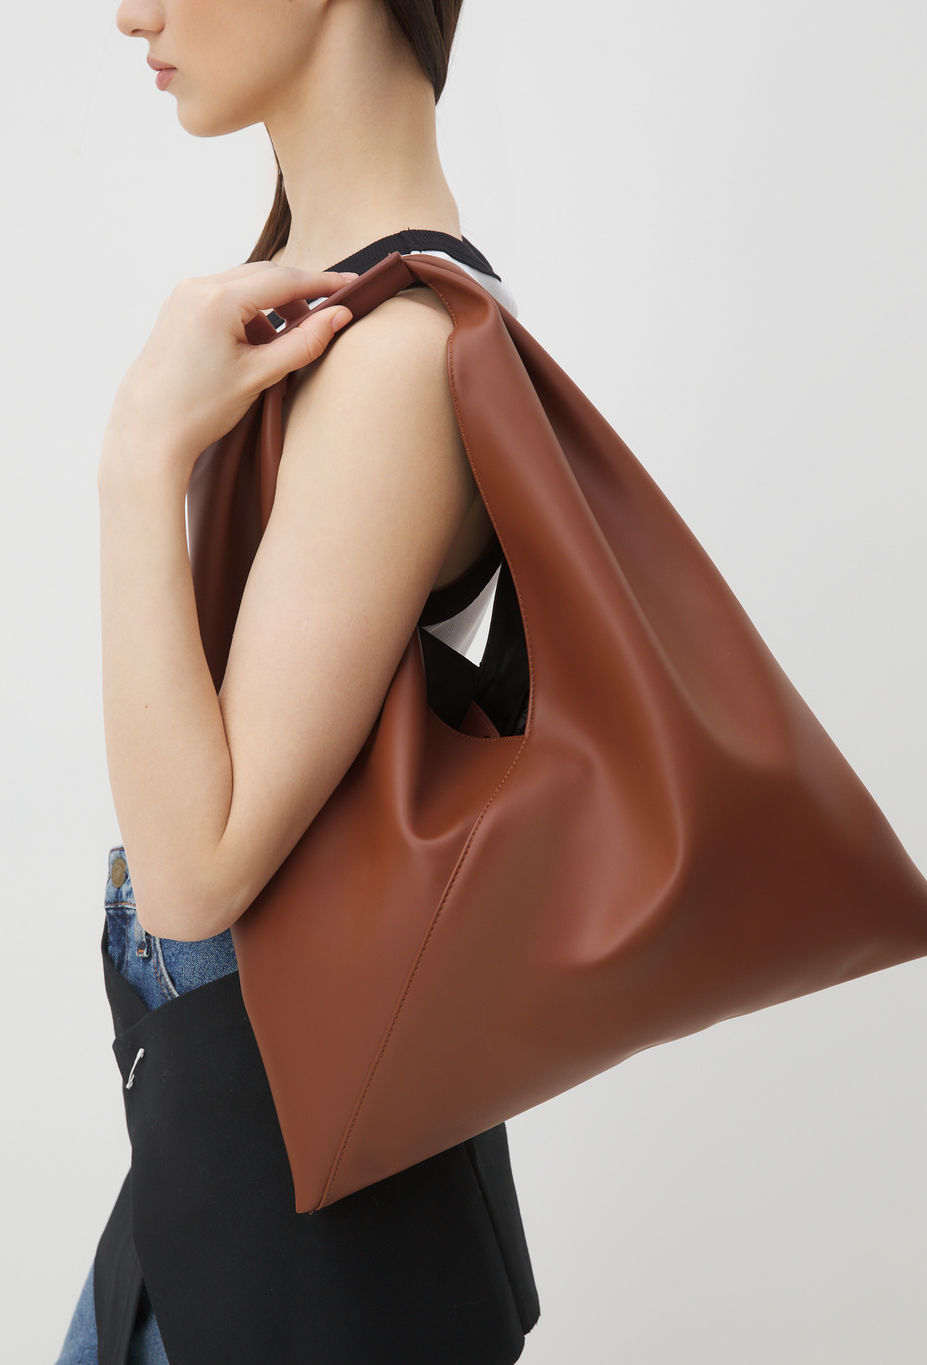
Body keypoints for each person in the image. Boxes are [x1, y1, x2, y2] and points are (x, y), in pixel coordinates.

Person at [55, 1, 540, 1362]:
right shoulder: (332, 314)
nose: (131, 11)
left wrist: (137, 460)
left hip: (301, 1246)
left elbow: (195, 874)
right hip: (222, 1179)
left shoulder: (399, 355)